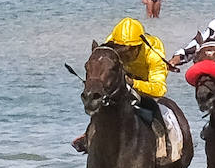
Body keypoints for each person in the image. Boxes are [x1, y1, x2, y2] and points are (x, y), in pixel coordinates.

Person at [71, 18, 170, 153]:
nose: (125, 54)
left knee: (152, 109)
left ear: (139, 46)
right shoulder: (113, 42)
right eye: (121, 49)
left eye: (130, 50)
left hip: (145, 85)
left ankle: (164, 145)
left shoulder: (153, 53)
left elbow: (160, 89)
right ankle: (90, 133)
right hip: (122, 83)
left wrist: (133, 83)